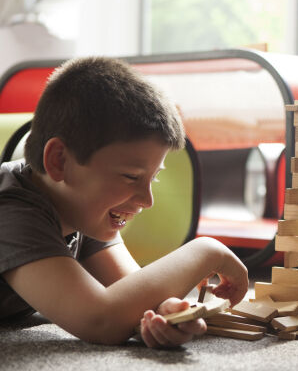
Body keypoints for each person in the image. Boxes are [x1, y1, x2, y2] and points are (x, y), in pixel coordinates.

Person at [0, 57, 248, 347]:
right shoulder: (11, 211)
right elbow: (100, 319)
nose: (147, 200)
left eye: (153, 178)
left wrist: (162, 311)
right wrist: (208, 251)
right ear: (59, 161)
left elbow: (129, 293)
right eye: (131, 177)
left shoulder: (80, 211)